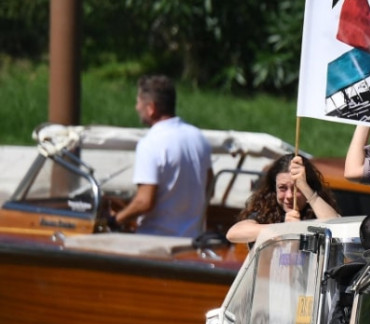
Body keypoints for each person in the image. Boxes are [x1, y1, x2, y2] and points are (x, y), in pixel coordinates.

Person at [112, 75, 212, 238]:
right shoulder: (199, 138)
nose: (137, 107)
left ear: (151, 108)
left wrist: (115, 219)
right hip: (191, 240)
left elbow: (144, 202)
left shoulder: (150, 143)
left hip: (155, 242)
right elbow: (209, 186)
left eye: (139, 102)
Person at [226, 153, 340, 244]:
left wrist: (305, 187)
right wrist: (283, 229)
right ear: (274, 188)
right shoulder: (266, 212)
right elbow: (233, 233)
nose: (289, 196)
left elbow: (336, 227)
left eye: (297, 189)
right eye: (282, 188)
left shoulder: (318, 213)